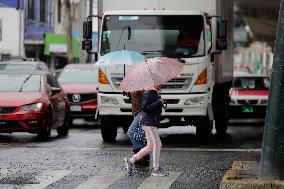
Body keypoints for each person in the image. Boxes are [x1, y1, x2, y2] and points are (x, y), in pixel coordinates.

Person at [124, 85, 169, 177]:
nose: (160, 84)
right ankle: (156, 169)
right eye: (158, 82)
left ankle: (131, 161)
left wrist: (160, 102)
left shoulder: (152, 92)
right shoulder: (149, 92)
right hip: (149, 122)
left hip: (150, 122)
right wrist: (159, 102)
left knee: (150, 146)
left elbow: (152, 105)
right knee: (157, 144)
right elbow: (146, 108)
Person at [126, 91, 150, 166]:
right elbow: (133, 98)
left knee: (131, 132)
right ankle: (144, 157)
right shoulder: (133, 84)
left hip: (143, 111)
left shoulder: (142, 84)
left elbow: (148, 97)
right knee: (140, 133)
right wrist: (127, 92)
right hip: (136, 111)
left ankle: (140, 155)